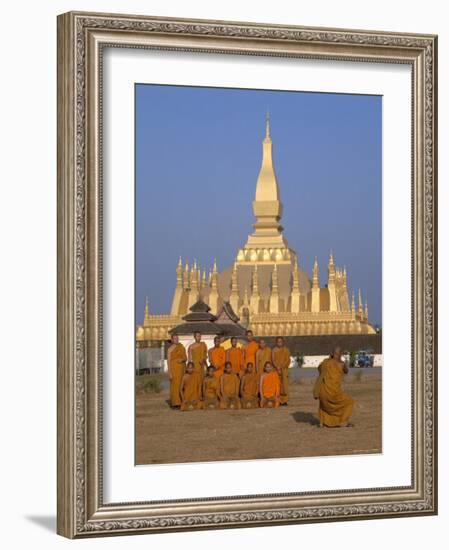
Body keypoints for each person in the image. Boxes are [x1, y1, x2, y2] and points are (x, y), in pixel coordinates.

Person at [313, 346, 354, 427]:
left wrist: (329, 359)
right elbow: (346, 371)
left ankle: (322, 422)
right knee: (349, 402)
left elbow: (319, 369)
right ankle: (343, 422)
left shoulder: (325, 362)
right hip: (334, 393)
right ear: (340, 354)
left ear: (331, 354)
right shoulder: (341, 364)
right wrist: (341, 361)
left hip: (323, 392)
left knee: (323, 402)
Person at [167, 334, 187, 408]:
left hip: (181, 369)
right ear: (172, 340)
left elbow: (185, 358)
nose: (176, 340)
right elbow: (168, 361)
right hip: (174, 370)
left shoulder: (181, 347)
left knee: (182, 385)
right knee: (175, 386)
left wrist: (182, 360)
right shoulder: (169, 349)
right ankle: (175, 403)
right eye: (175, 338)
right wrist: (170, 373)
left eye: (177, 338)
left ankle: (182, 401)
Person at [272, 336, 291, 406]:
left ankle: (285, 400)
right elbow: (273, 360)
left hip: (284, 370)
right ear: (276, 342)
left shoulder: (286, 350)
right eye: (278, 342)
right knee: (277, 385)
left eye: (281, 341)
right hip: (276, 369)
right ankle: (279, 400)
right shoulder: (274, 350)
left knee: (284, 386)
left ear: (283, 342)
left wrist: (281, 367)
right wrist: (277, 367)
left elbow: (287, 360)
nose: (279, 343)